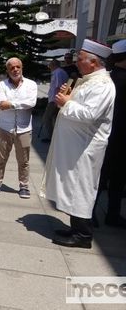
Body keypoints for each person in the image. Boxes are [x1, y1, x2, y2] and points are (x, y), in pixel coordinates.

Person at [45, 39, 115, 249]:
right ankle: (75, 227)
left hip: (86, 148)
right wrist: (65, 98)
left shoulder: (102, 85)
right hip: (76, 145)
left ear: (93, 62)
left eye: (80, 59)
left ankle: (83, 235)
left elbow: (90, 114)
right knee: (72, 185)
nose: (77, 62)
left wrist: (66, 103)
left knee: (81, 187)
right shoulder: (88, 80)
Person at [0, 58, 38, 198]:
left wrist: (11, 104)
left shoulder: (31, 85)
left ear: (22, 68)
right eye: (12, 68)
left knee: (24, 161)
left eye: (18, 67)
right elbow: (1, 103)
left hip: (24, 129)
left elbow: (31, 103)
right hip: (4, 128)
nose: (15, 70)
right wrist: (20, 104)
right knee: (0, 158)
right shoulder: (1, 85)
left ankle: (24, 186)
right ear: (8, 70)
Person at [96, 39, 126, 228]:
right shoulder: (119, 79)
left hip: (105, 135)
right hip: (119, 137)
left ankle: (90, 214)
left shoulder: (108, 78)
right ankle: (112, 215)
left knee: (100, 178)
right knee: (117, 180)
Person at [41, 60, 68, 143]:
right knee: (54, 119)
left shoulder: (57, 73)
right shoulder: (59, 72)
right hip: (55, 99)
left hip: (54, 100)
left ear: (53, 65)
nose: (49, 67)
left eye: (50, 65)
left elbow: (59, 87)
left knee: (46, 118)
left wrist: (56, 101)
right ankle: (56, 137)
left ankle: (52, 138)